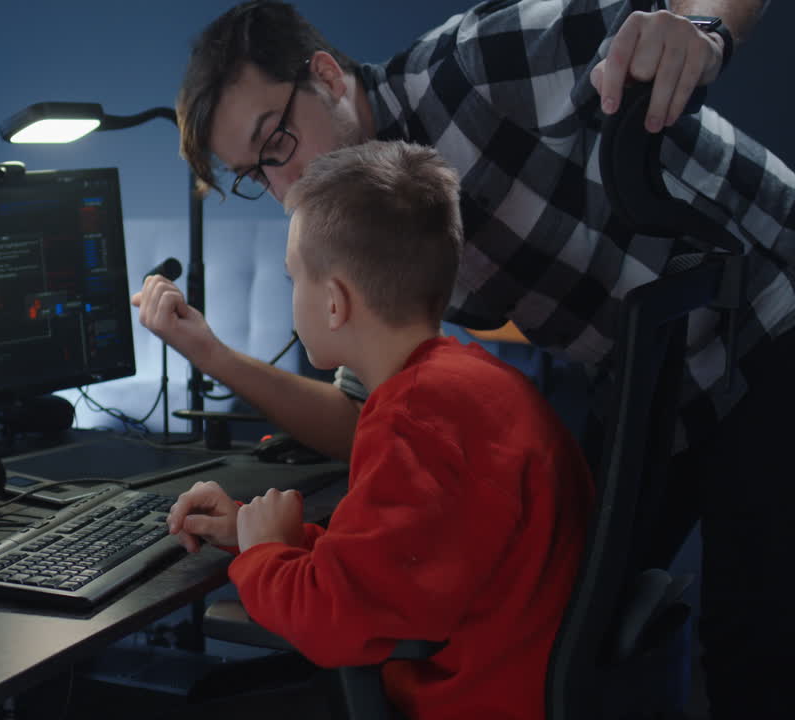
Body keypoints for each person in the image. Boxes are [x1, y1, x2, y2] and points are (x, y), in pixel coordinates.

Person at [133, 0, 791, 715]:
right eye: (254, 174)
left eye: (278, 141)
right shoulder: (378, 222)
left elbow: (675, 10)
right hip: (657, 374)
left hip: (769, 307)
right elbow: (367, 418)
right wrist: (210, 355)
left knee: (749, 645)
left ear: (324, 74)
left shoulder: (474, 65)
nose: (283, 190)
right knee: (586, 608)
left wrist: (699, 30)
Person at [167, 141, 594, 720]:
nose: (293, 294)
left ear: (335, 303)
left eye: (294, 278)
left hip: (465, 701)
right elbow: (387, 563)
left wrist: (264, 555)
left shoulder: (414, 422)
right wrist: (253, 530)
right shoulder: (464, 385)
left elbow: (332, 622)